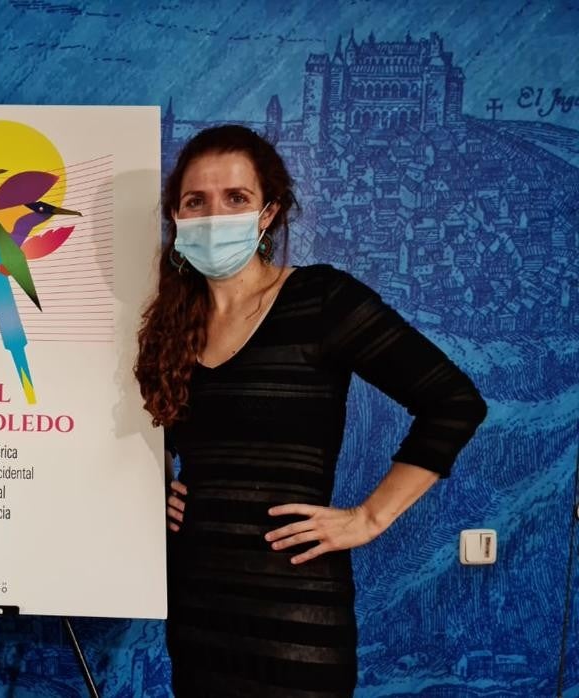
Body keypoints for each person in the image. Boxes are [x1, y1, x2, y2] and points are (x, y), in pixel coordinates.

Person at [134, 125, 486, 696]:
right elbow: (167, 438)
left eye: (236, 198)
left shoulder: (322, 300)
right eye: (196, 201)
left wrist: (368, 518)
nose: (214, 215)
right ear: (176, 216)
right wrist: (154, 490)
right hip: (198, 611)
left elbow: (454, 402)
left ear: (268, 213)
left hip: (295, 618)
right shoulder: (173, 323)